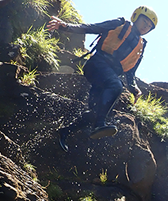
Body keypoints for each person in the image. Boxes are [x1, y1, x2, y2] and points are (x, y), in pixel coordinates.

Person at [46, 6, 158, 152]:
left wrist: (133, 87)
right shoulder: (120, 23)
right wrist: (66, 26)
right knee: (116, 86)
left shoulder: (141, 45)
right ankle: (100, 124)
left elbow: (131, 71)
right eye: (145, 21)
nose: (146, 26)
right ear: (136, 17)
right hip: (97, 64)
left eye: (149, 26)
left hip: (107, 75)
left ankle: (64, 132)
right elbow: (92, 27)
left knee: (96, 111)